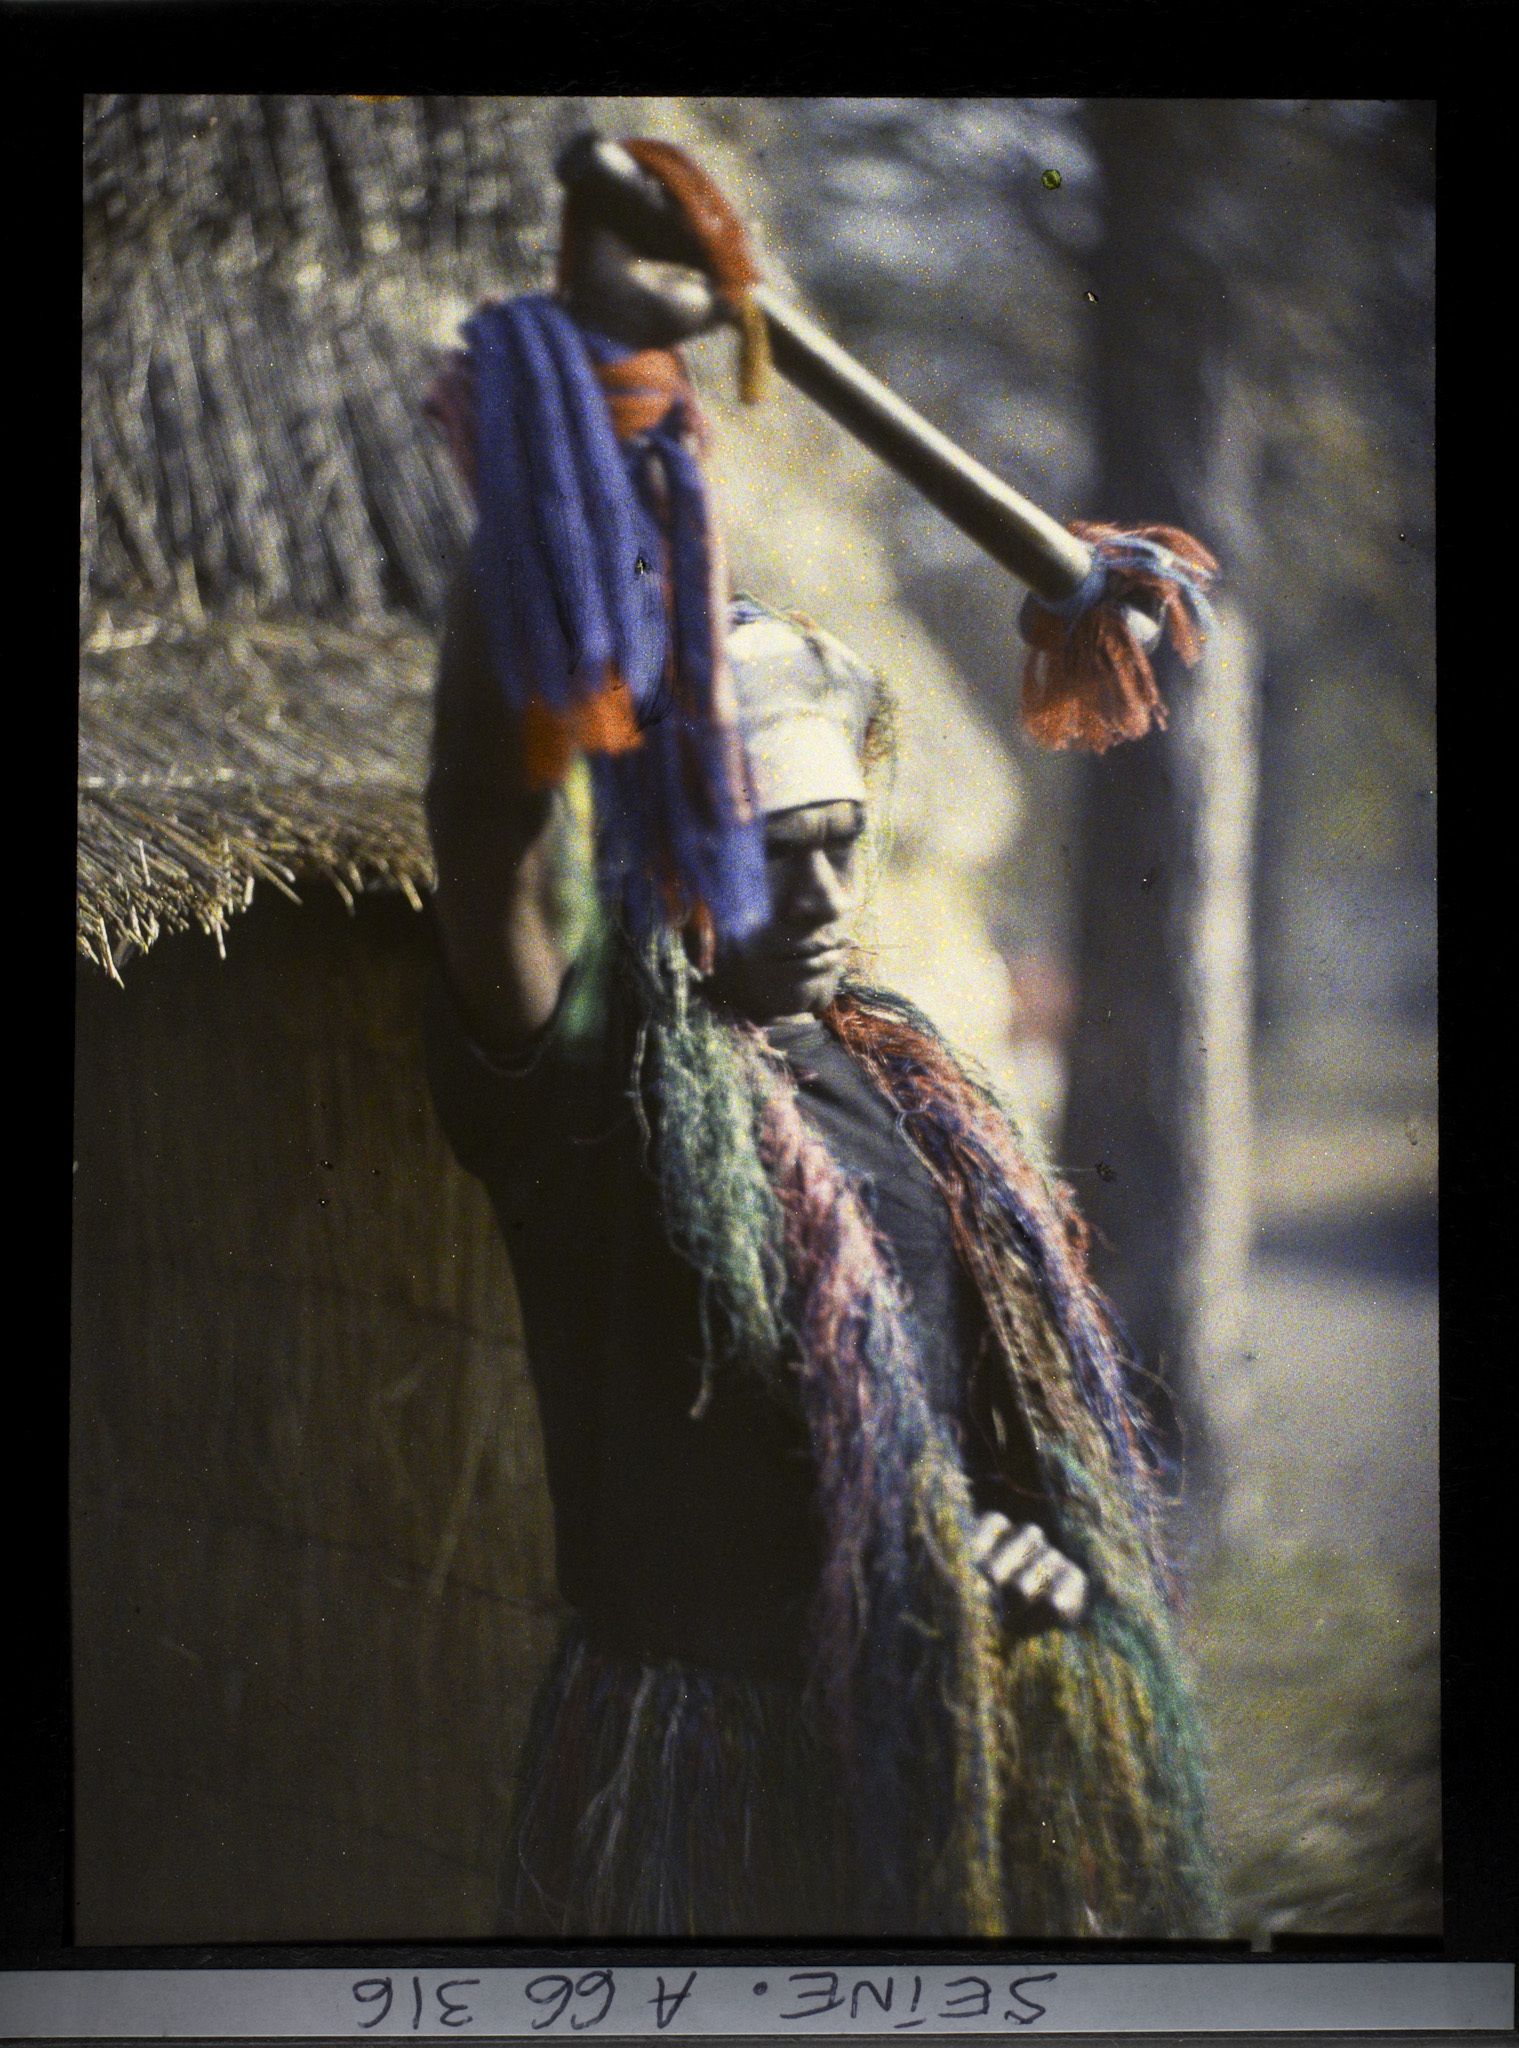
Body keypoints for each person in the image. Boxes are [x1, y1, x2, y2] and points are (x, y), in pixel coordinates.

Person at [422, 184, 1217, 1941]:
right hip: (704, 1772)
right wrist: (602, 393)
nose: (831, 891)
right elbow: (481, 831)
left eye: (847, 839)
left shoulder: (902, 1084)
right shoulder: (588, 1091)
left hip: (948, 1755)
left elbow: (987, 1396)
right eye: (771, 845)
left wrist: (1038, 1554)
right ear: (655, 853)